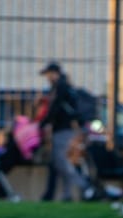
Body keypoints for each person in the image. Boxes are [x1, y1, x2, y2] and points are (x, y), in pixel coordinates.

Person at [38, 62, 87, 203]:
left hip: (63, 130)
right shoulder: (64, 86)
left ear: (55, 73)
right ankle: (67, 194)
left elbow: (55, 108)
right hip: (64, 129)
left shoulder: (61, 87)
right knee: (59, 163)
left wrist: (43, 123)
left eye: (48, 74)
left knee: (62, 162)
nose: (47, 78)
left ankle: (84, 186)